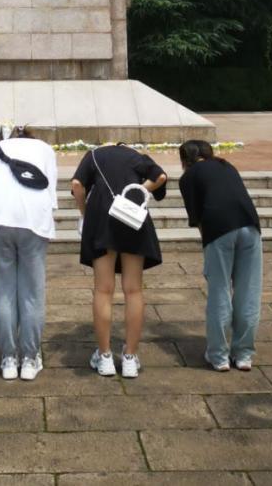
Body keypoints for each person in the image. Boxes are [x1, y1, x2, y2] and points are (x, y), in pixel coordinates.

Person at [71, 143, 167, 378]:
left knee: (103, 290)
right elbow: (160, 177)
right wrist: (138, 191)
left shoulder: (94, 155)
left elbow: (77, 185)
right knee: (133, 290)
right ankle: (130, 358)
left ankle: (105, 356)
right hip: (132, 219)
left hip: (102, 220)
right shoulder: (135, 156)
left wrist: (84, 213)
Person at [178, 139, 262, 372]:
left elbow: (197, 218)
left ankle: (218, 356)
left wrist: (208, 247)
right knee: (249, 292)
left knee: (220, 291)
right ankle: (244, 354)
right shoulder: (227, 166)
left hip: (218, 230)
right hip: (250, 226)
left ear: (185, 159)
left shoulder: (189, 177)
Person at [0, 126, 58, 381]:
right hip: (33, 218)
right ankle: (29, 358)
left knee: (3, 292)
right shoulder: (45, 149)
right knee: (32, 292)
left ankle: (8, 358)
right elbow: (50, 189)